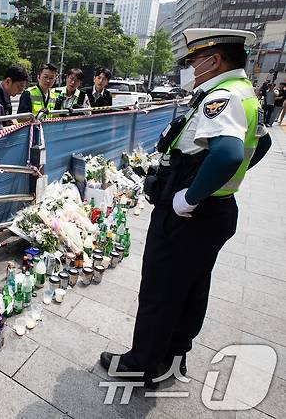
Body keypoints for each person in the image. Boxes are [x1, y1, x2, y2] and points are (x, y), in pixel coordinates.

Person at [100, 28, 272, 388]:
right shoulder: (246, 94)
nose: (191, 68)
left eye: (195, 61)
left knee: (160, 288)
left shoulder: (221, 97)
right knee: (191, 286)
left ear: (215, 60)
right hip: (217, 211)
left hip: (189, 216)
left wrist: (190, 196)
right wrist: (223, 184)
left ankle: (139, 364)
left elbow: (227, 153)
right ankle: (172, 355)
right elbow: (263, 143)